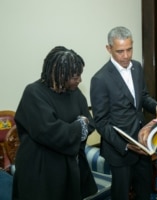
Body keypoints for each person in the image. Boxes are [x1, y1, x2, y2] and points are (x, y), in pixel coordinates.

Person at [90, 26, 157, 200]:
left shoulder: (137, 67)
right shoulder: (100, 79)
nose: (126, 56)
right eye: (120, 51)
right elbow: (101, 122)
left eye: (129, 49)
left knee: (144, 189)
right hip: (119, 149)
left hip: (142, 143)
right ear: (108, 49)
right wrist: (125, 145)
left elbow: (143, 96)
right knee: (121, 194)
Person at [12, 46, 97, 200]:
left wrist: (76, 127)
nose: (80, 80)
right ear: (60, 75)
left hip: (69, 166)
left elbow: (89, 121)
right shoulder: (33, 93)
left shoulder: (74, 91)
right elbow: (52, 132)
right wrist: (79, 126)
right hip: (41, 170)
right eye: (75, 77)